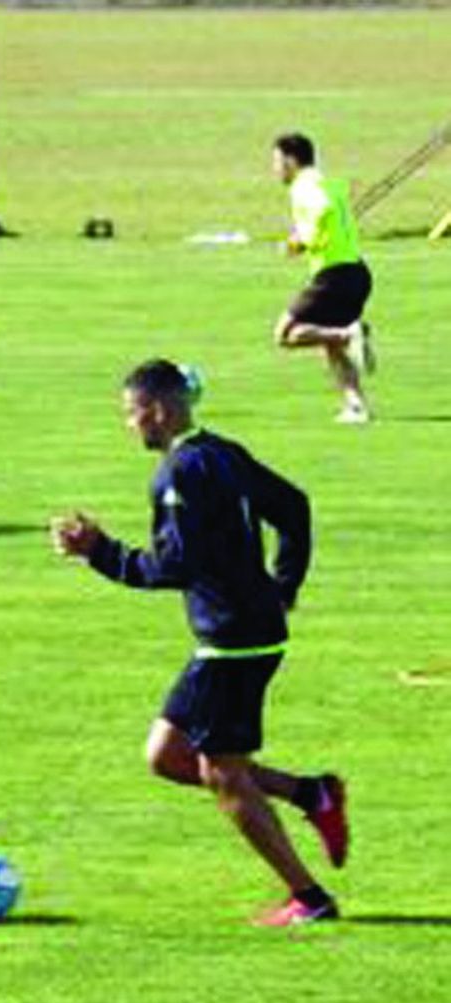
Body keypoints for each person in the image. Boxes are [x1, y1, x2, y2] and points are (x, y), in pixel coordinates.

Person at [51, 359, 349, 926]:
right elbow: (293, 507)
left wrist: (100, 552)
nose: (130, 425)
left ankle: (310, 899)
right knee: (165, 756)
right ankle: (312, 795)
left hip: (230, 644)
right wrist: (282, 585)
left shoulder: (177, 475)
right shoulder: (224, 453)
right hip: (244, 632)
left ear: (159, 410)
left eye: (132, 413)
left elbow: (173, 567)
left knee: (222, 774)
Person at [271, 133, 377, 424]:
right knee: (327, 340)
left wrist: (302, 241)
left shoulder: (304, 186)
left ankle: (350, 334)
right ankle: (357, 406)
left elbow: (321, 211)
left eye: (277, 161)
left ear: (291, 160)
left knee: (285, 334)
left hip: (334, 275)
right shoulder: (328, 182)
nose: (275, 169)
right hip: (356, 271)